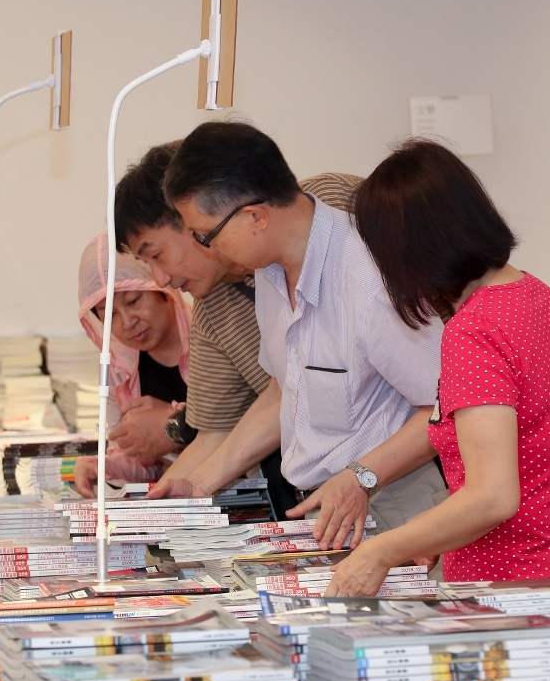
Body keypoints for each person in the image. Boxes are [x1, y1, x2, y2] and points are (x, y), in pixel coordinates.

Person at [322, 139, 550, 597]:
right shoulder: (536, 294)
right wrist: (434, 533)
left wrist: (379, 552)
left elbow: (492, 496)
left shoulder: (474, 330)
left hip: (518, 581)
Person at [152, 122, 447, 552]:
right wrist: (200, 483)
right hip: (327, 507)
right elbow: (283, 392)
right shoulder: (271, 273)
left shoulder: (369, 276)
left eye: (205, 236)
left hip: (394, 502)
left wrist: (362, 477)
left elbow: (444, 406)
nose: (206, 250)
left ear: (255, 217)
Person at [115, 141, 364, 518]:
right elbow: (267, 402)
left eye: (157, 255)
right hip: (341, 491)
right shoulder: (223, 302)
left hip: (400, 471)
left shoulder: (331, 208)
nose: (160, 279)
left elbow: (425, 385)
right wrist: (152, 513)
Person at [71, 233, 192, 495]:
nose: (127, 322)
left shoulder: (211, 337)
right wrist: (103, 467)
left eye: (134, 301)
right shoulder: (118, 367)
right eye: (109, 314)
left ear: (162, 288)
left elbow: (238, 421)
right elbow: (142, 459)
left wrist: (173, 422)